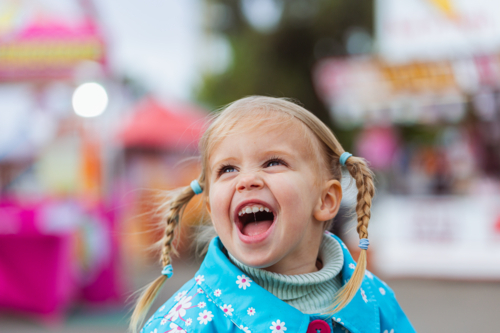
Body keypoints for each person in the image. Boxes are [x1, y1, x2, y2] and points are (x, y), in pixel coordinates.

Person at [130, 96, 415, 333]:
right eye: (228, 169)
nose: (246, 180)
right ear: (210, 209)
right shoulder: (186, 324)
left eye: (273, 162)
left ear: (326, 201)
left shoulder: (374, 302)